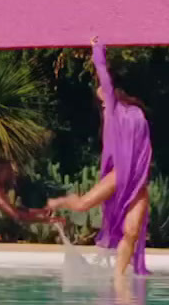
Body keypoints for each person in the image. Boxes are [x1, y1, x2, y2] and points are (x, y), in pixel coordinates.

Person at [47, 36, 153, 277]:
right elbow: (103, 73)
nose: (101, 96)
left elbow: (108, 78)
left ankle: (119, 279)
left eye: (103, 92)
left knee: (133, 230)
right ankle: (58, 202)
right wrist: (97, 50)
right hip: (120, 175)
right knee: (83, 204)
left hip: (139, 181)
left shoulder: (135, 111)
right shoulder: (113, 112)